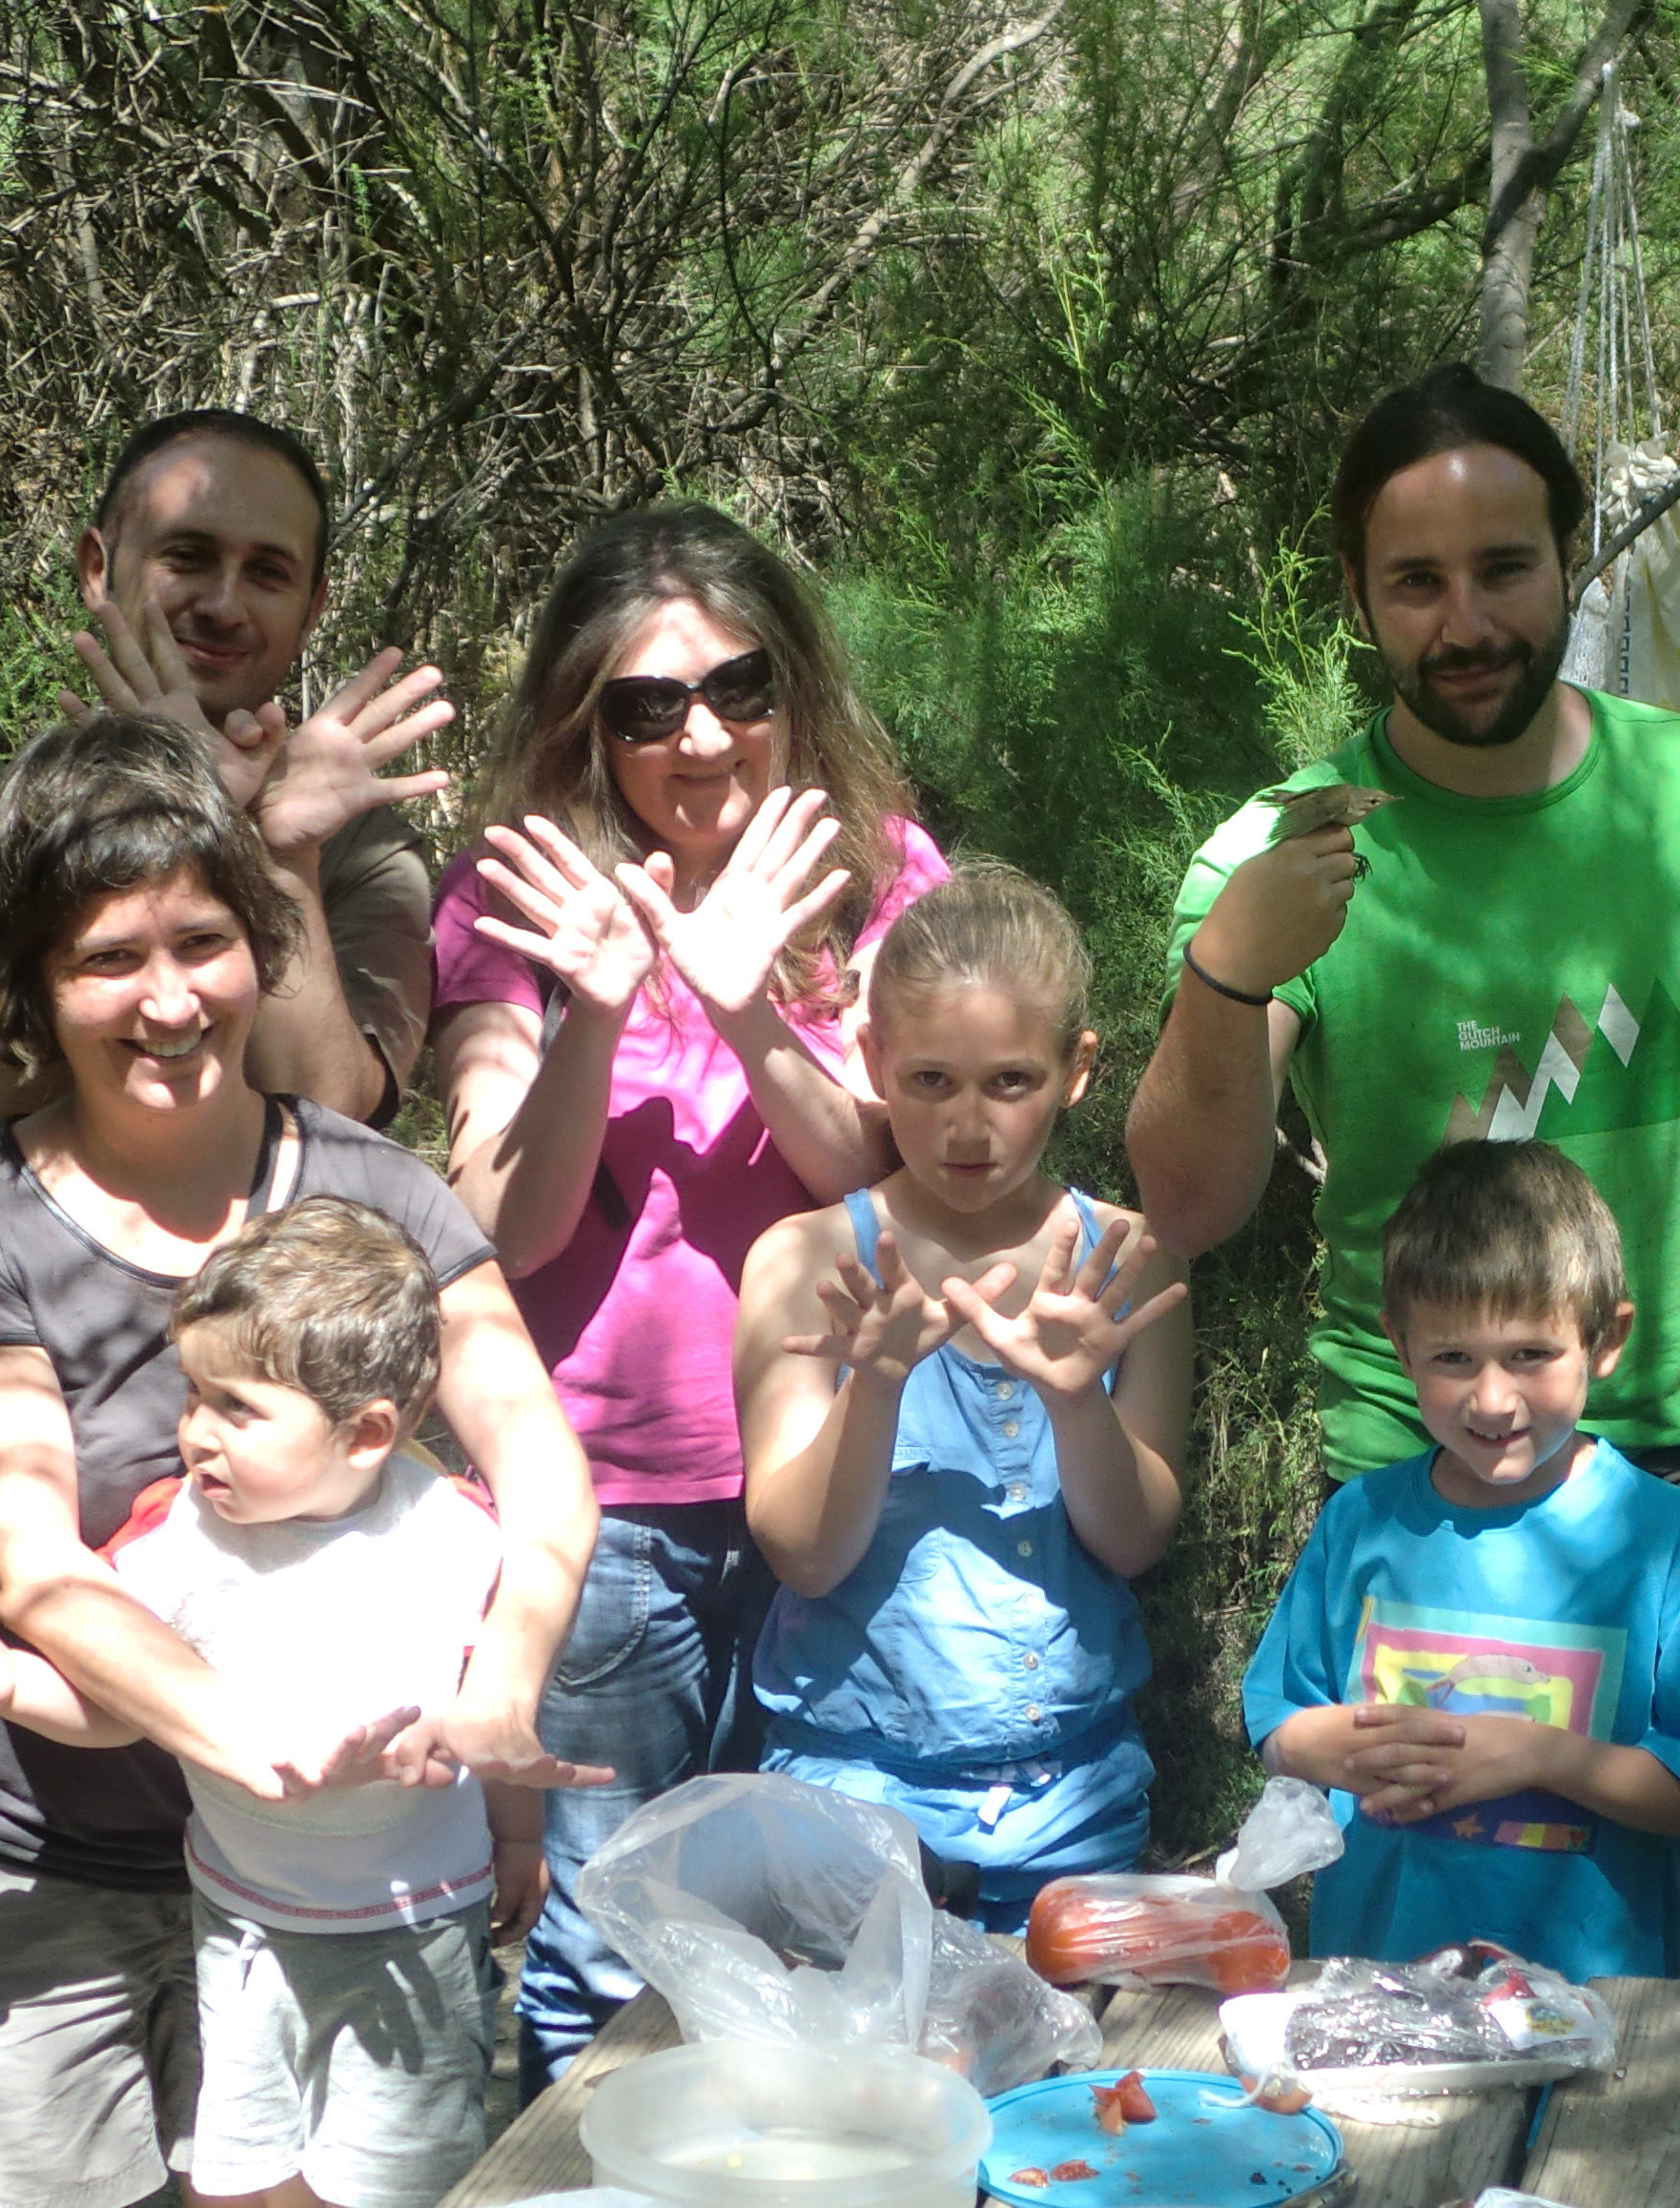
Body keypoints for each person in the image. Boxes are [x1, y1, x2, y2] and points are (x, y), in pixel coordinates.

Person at [1129, 363, 1680, 2206]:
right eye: (1415, 581)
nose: (1464, 618)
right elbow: (1186, 1193)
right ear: (1355, 594)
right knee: (1424, 2035)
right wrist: (1227, 977)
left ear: (1575, 558)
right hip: (1428, 1513)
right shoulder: (1290, 848)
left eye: (1504, 565)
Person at [0, 713, 598, 2208]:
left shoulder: (377, 1195)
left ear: (261, 943)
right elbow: (33, 1564)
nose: (169, 1001)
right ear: (36, 992)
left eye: (203, 941)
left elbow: (539, 1462)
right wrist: (249, 1737)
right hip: (28, 1872)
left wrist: (501, 1690)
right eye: (108, 959)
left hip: (347, 1894)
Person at [430, 501, 951, 2080]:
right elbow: (496, 1227)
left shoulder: (879, 878)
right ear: (587, 723)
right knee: (602, 1942)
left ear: (794, 687)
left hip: (837, 1478)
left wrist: (743, 1004)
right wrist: (597, 1005)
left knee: (820, 1921)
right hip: (607, 1522)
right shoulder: (516, 895)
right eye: (646, 705)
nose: (700, 734)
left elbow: (887, 1175)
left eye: (737, 686)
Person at [0, 1198, 551, 2208]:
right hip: (245, 1928)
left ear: (368, 1432)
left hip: (419, 1931)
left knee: (396, 2181)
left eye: (238, 1410)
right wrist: (16, 1684)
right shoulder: (175, 1544)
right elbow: (125, 1710)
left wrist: (519, 1840)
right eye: (194, 1395)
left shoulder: (457, 1535)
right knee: (239, 2174)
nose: (196, 1435)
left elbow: (493, 1716)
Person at [732, 866, 1197, 1932]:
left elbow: (1132, 1542)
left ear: (1077, 1071)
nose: (967, 1125)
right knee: (864, 2101)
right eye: (931, 1081)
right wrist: (878, 1383)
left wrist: (1079, 1401)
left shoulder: (1128, 1259)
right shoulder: (805, 1261)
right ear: (870, 1062)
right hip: (850, 1796)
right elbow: (802, 1555)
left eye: (1009, 1082)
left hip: (1072, 1800)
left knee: (1070, 2096)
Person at [1242, 1139, 1680, 1980]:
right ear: (1399, 1345)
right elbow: (1277, 1723)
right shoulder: (1361, 1522)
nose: (1492, 1399)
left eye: (1531, 1354)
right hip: (1377, 1990)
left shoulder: (1666, 1536)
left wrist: (1537, 1755)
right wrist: (1353, 1746)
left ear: (1605, 1340)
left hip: (1588, 2004)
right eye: (1454, 1358)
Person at [0, 408, 454, 1154]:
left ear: (311, 608)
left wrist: (281, 860)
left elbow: (330, 1117)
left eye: (267, 572)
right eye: (188, 556)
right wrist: (173, 792)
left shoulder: (360, 851)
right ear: (98, 568)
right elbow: (19, 1083)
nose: (223, 605)